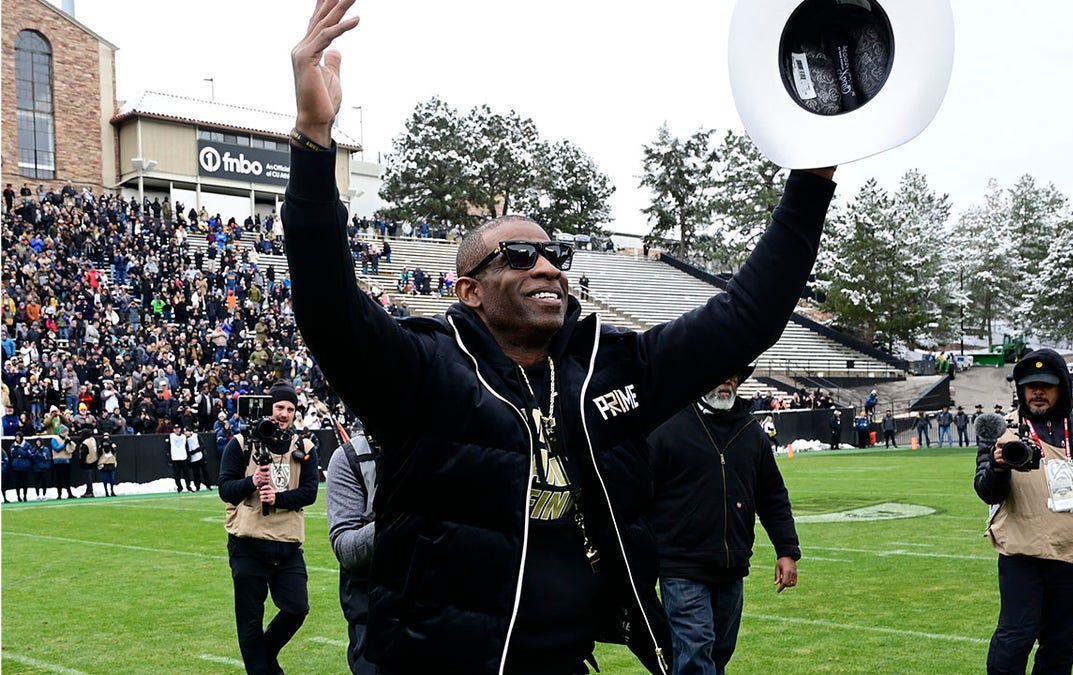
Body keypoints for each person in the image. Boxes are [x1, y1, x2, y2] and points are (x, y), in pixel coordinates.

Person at [282, 3, 835, 671]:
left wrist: (812, 175)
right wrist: (314, 139)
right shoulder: (426, 372)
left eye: (553, 254)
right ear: (469, 290)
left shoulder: (609, 371)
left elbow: (746, 318)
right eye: (516, 254)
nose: (544, 265)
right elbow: (328, 309)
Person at [974, 349, 1073, 674]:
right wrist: (997, 466)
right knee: (1015, 637)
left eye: (1046, 385)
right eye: (1030, 385)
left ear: (1062, 387)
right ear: (1020, 389)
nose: (1037, 392)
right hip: (1024, 554)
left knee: (1061, 645)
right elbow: (986, 491)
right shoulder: (1001, 430)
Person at [648, 369, 800, 674]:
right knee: (695, 653)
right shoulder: (668, 427)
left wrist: (786, 550)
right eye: (718, 372)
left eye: (732, 375)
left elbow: (772, 496)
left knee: (719, 655)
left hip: (732, 566)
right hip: (681, 566)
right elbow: (637, 496)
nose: (726, 381)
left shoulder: (751, 431)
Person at [218, 380, 319, 675]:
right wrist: (252, 482)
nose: (284, 414)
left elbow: (310, 492)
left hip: (287, 544)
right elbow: (225, 488)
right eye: (279, 407)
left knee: (297, 608)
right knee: (249, 620)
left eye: (290, 408)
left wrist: (278, 498)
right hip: (248, 544)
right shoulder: (241, 444)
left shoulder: (305, 447)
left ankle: (265, 656)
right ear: (267, 407)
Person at [325, 420, 379, 675]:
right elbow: (345, 549)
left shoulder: (446, 450)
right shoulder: (351, 457)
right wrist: (402, 517)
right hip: (373, 610)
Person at [50, 428, 75, 499]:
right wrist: (65, 444)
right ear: (62, 432)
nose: (67, 433)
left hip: (67, 461)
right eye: (66, 432)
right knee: (59, 479)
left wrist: (70, 443)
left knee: (68, 479)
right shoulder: (54, 439)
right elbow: (56, 448)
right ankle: (59, 494)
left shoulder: (67, 438)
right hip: (58, 462)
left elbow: (73, 448)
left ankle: (70, 493)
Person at [166, 424, 190, 492]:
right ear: (173, 430)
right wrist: (169, 458)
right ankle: (179, 487)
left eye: (178, 428)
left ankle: (188, 486)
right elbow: (168, 448)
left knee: (187, 474)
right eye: (175, 429)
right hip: (175, 459)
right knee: (177, 475)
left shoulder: (183, 437)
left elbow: (186, 447)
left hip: (183, 458)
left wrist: (188, 457)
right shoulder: (171, 436)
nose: (177, 430)